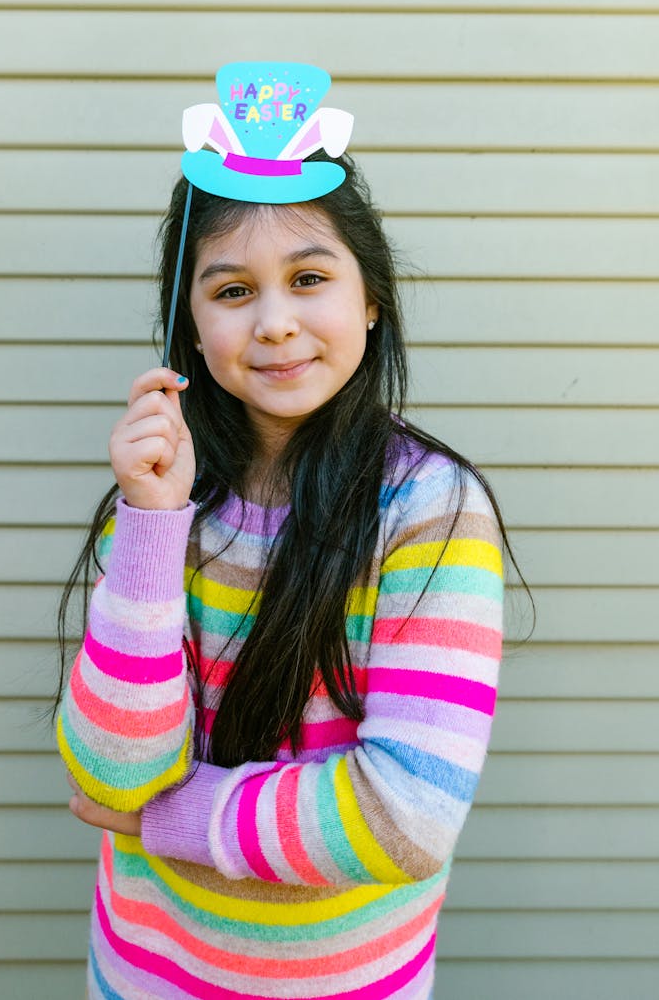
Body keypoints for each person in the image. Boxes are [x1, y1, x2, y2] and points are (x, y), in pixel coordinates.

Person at [55, 62, 513, 1000]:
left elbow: (406, 815)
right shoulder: (161, 502)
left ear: (371, 300)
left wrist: (161, 821)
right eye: (231, 291)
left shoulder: (430, 508)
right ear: (190, 322)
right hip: (146, 973)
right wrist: (150, 526)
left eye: (309, 278)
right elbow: (112, 765)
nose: (275, 324)